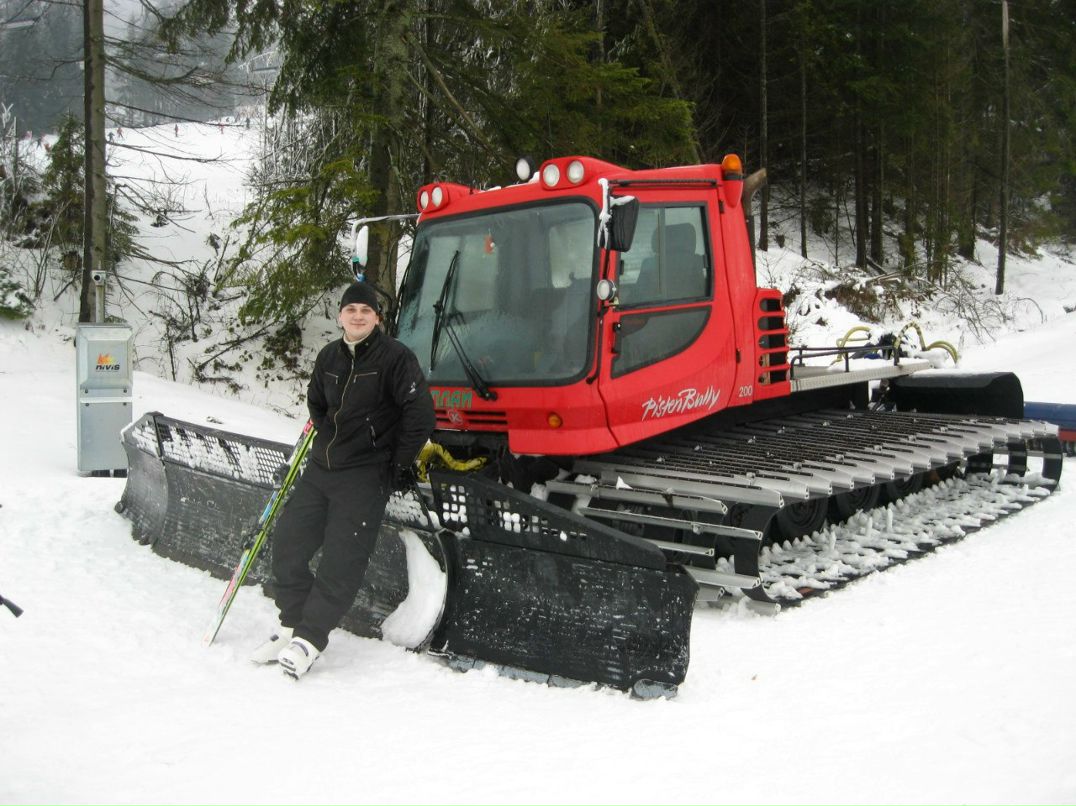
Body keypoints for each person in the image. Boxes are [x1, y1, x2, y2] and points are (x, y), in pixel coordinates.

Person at [251, 281, 436, 679]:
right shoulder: (329, 356)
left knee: (341, 560)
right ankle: (291, 624)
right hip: (322, 468)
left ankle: (311, 638)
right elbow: (317, 402)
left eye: (365, 311)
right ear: (340, 316)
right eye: (351, 310)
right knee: (287, 544)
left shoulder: (396, 359)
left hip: (365, 476)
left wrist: (396, 463)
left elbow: (420, 414)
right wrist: (329, 436)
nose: (357, 316)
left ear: (377, 318)